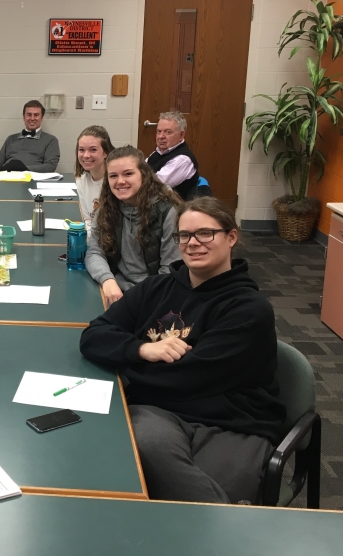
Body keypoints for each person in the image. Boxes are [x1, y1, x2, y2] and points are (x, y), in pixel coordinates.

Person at [80, 197, 285, 505]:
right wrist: (141, 351)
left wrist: (125, 369)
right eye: (184, 235)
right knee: (145, 448)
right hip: (161, 411)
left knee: (184, 493)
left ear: (231, 237)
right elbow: (93, 336)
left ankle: (208, 526)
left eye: (205, 233)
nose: (193, 243)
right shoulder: (156, 289)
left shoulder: (249, 309)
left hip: (235, 423)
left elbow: (188, 376)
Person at [85, 146, 181, 306]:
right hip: (116, 292)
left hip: (153, 296)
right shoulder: (108, 208)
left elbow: (170, 271)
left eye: (128, 173)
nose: (120, 181)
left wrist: (136, 301)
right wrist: (107, 280)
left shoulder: (168, 211)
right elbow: (94, 251)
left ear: (143, 175)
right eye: (113, 176)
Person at [0, 100, 60, 173]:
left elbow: (50, 166)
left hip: (34, 181)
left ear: (42, 118)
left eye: (36, 115)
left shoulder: (51, 140)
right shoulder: (11, 139)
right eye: (29, 115)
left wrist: (22, 169)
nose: (32, 118)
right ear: (24, 117)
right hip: (8, 180)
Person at [146, 111, 202, 200]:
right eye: (159, 131)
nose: (161, 136)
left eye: (168, 132)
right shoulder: (159, 152)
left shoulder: (183, 160)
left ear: (181, 135)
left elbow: (153, 187)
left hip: (175, 210)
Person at [74, 125, 115, 233]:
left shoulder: (115, 181)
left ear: (105, 152)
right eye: (81, 150)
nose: (86, 155)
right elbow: (88, 220)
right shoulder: (81, 181)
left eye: (93, 150)